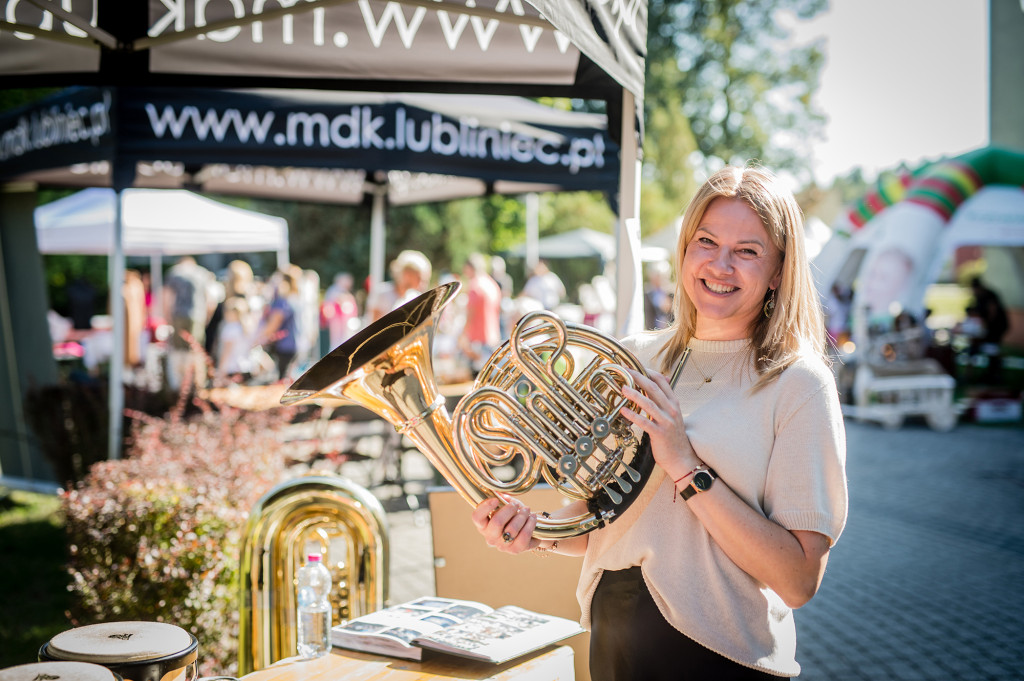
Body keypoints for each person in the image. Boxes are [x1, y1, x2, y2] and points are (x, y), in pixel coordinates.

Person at [471, 165, 848, 680]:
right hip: (614, 639)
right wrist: (535, 531)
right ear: (685, 249)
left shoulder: (798, 384)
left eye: (747, 250)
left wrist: (684, 464)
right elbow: (604, 519)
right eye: (707, 241)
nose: (720, 264)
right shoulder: (632, 357)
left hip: (723, 658)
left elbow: (799, 579)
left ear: (779, 271)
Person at [459, 253, 503, 374]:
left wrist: (463, 337)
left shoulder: (475, 285)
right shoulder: (493, 285)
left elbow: (470, 314)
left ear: (469, 268)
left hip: (477, 341)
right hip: (493, 338)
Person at [364, 250, 432, 324]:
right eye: (419, 278)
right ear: (407, 274)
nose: (423, 283)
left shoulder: (415, 297)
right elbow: (374, 326)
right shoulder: (382, 293)